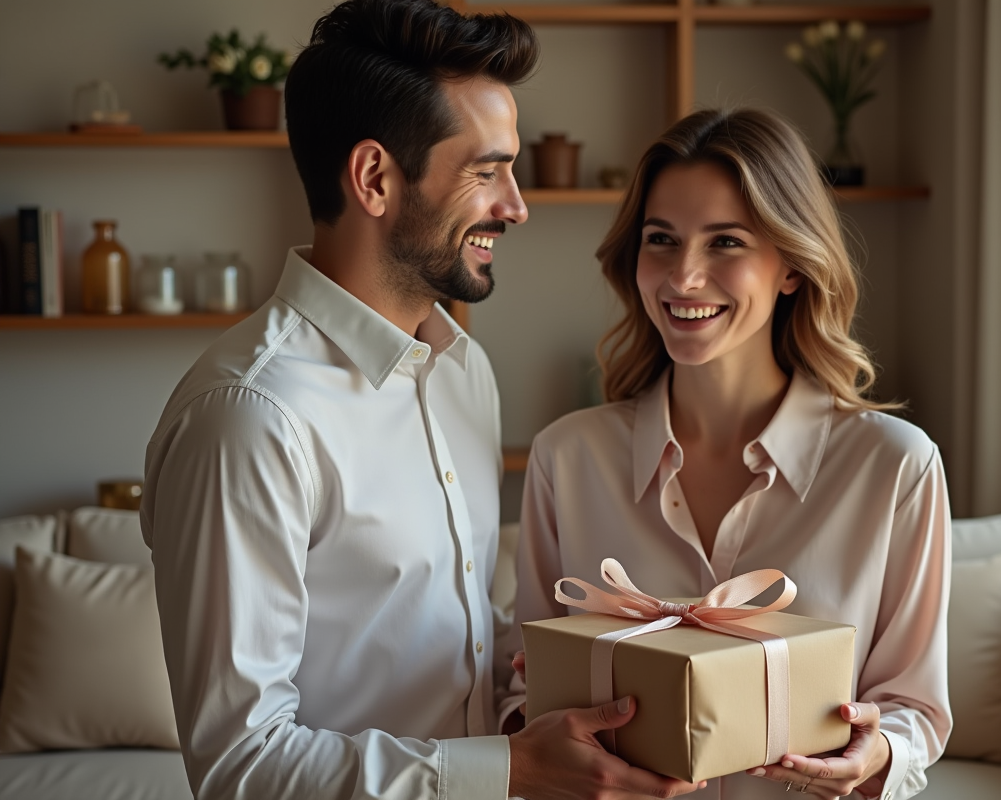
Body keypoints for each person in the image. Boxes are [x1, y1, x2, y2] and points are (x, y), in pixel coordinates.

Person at [140, 1, 705, 798]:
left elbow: (460, 637)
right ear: (375, 178)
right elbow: (243, 767)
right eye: (486, 171)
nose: (516, 205)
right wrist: (508, 772)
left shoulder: (463, 369)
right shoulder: (248, 417)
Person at [504, 107, 952, 800]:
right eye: (662, 239)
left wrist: (876, 754)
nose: (683, 276)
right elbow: (522, 686)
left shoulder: (895, 466)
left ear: (792, 269)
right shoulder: (568, 457)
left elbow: (914, 710)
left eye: (726, 243)